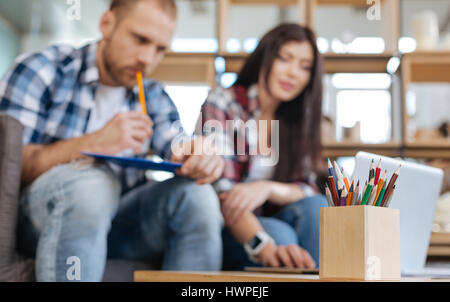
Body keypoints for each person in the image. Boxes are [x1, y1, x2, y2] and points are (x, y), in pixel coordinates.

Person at [0, 0, 224, 281]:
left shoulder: (152, 94)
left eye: (159, 49)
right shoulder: (43, 69)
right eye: (140, 39)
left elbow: (175, 142)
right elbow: (11, 167)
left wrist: (197, 155)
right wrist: (96, 142)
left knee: (197, 196)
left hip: (117, 224)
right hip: (39, 219)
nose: (147, 58)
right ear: (106, 24)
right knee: (93, 184)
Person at [197, 23, 328, 270]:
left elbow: (311, 188)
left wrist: (266, 188)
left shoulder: (297, 120)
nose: (293, 73)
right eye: (285, 59)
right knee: (280, 235)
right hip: (231, 227)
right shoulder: (225, 102)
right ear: (265, 58)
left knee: (316, 208)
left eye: (305, 67)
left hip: (275, 219)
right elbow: (223, 194)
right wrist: (265, 247)